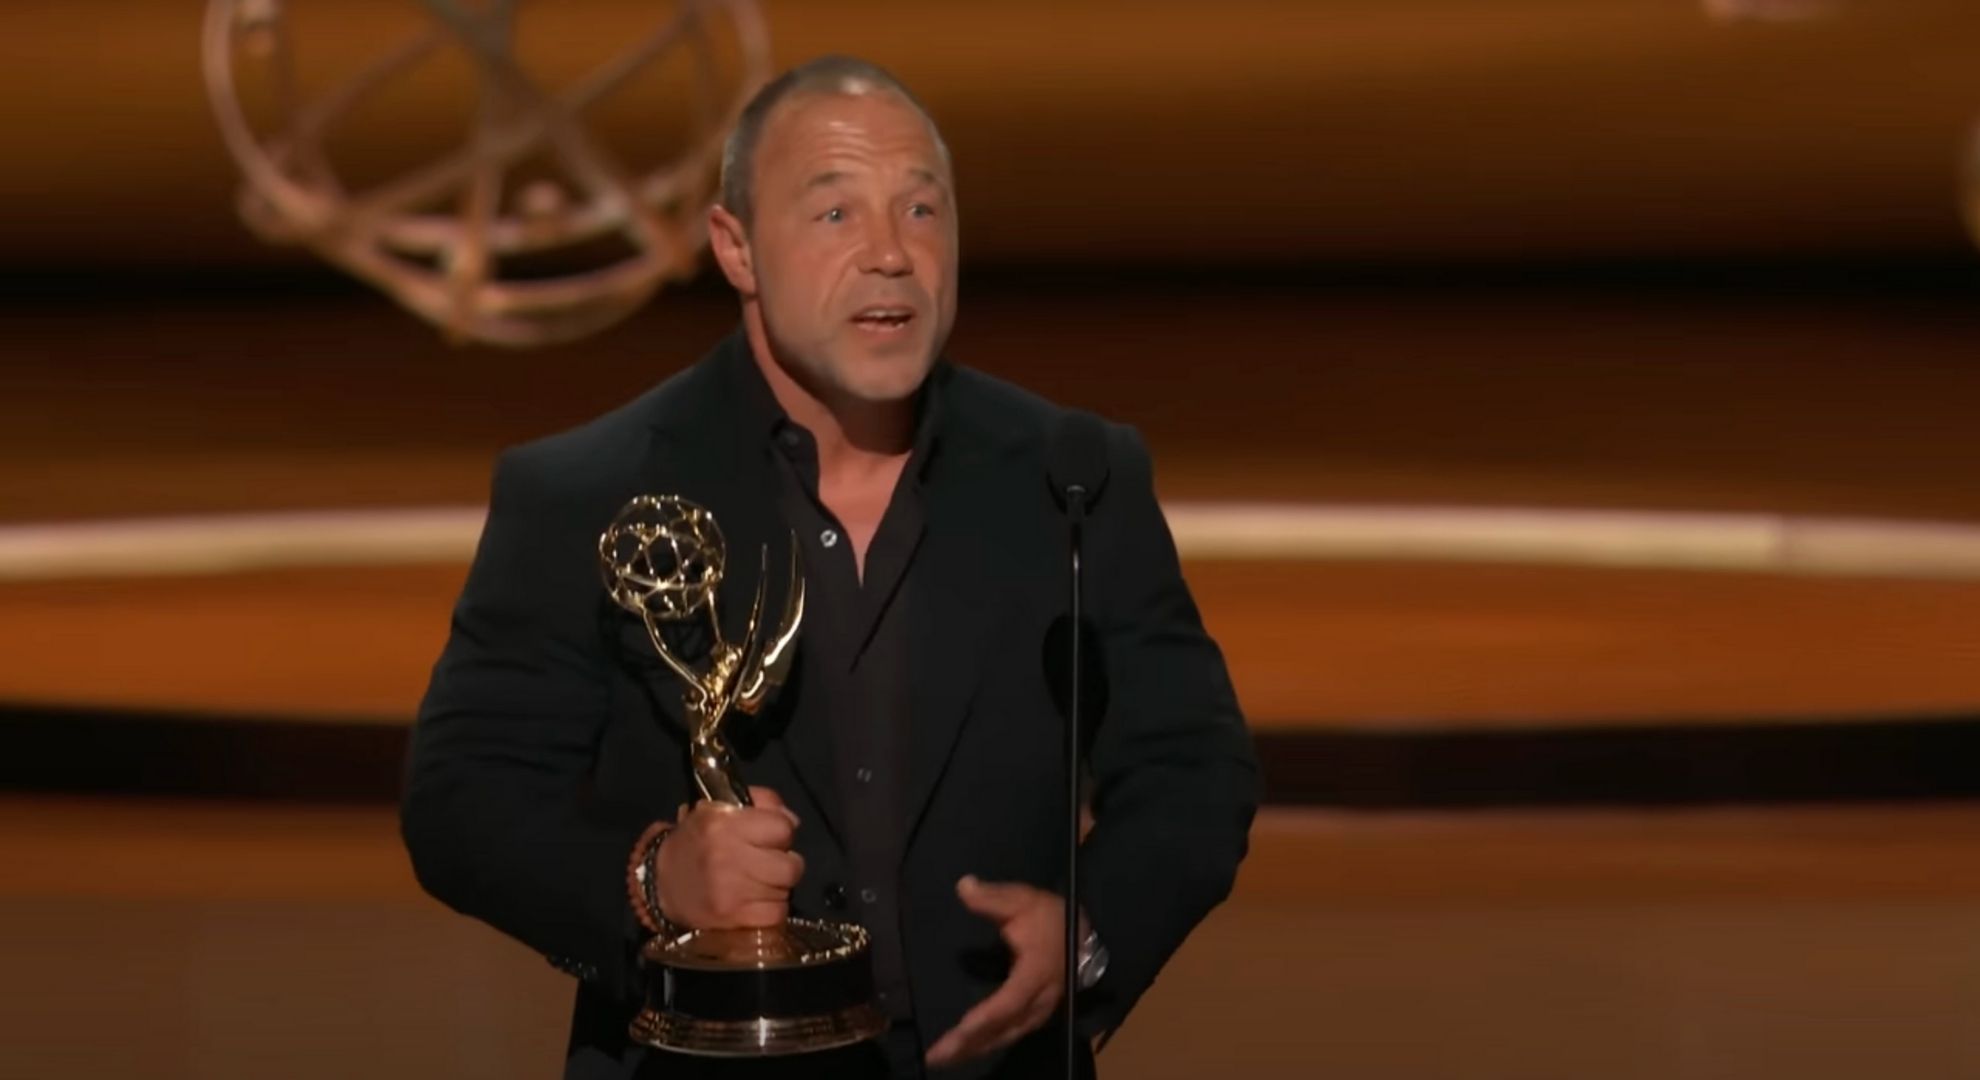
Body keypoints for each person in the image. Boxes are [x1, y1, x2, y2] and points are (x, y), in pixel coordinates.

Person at [402, 55, 1257, 1080]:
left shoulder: (1073, 478)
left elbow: (1195, 768)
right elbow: (461, 801)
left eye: (922, 211)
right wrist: (652, 880)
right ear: (737, 249)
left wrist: (1090, 934)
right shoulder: (584, 493)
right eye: (836, 215)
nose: (893, 255)